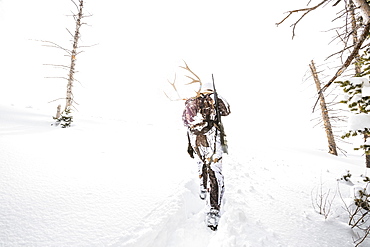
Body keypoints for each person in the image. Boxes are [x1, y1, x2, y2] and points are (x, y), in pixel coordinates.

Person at [182, 82, 231, 230]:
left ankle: (203, 188)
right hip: (211, 138)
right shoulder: (214, 98)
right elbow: (227, 110)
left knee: (201, 163)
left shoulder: (192, 100)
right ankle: (213, 211)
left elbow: (185, 121)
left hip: (195, 139)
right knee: (215, 170)